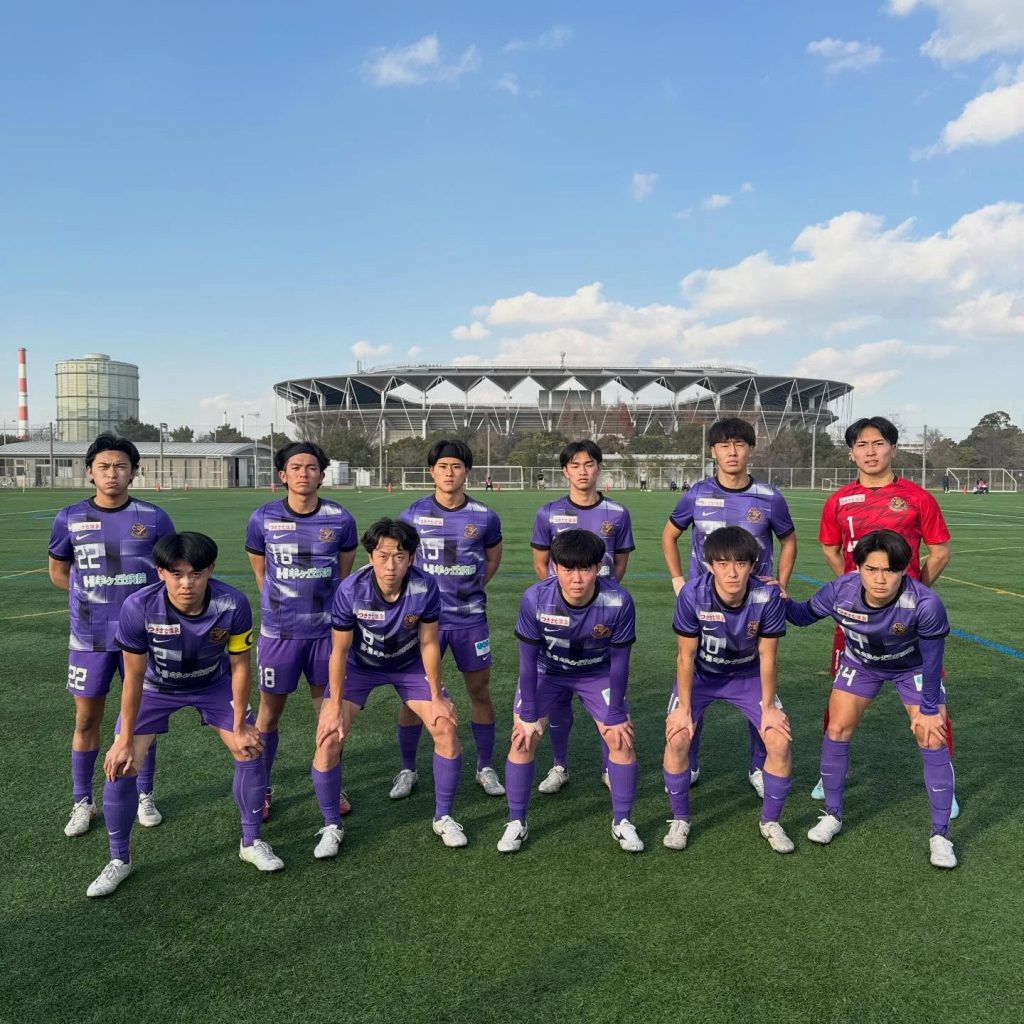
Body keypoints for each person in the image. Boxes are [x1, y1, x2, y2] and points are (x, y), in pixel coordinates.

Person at [85, 532, 283, 896]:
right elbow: (133, 676)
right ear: (161, 572)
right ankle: (119, 859)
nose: (186, 583)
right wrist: (124, 739)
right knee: (121, 765)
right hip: (155, 690)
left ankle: (251, 842)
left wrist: (240, 724)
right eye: (176, 574)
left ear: (211, 570)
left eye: (195, 573)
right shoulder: (138, 606)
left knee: (250, 749)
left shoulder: (232, 602)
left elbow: (240, 666)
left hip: (213, 686)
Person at [786, 530, 957, 868]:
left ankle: (940, 835)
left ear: (903, 570)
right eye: (871, 569)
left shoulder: (925, 604)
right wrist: (774, 596)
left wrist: (928, 710)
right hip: (861, 664)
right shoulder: (841, 591)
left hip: (912, 667)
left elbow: (933, 661)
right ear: (859, 568)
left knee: (931, 736)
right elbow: (802, 616)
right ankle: (832, 814)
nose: (880, 579)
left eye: (890, 570)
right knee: (837, 729)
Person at [815, 416, 956, 813]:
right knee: (839, 698)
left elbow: (940, 552)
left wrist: (915, 591)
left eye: (878, 443)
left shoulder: (917, 498)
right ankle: (829, 774)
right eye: (862, 445)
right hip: (855, 620)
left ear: (893, 448)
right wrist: (850, 590)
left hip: (908, 624)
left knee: (932, 700)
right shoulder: (838, 501)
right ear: (851, 453)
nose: (871, 451)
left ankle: (946, 781)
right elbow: (829, 548)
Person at [660, 417, 796, 798]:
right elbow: (669, 536)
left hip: (754, 607)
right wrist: (678, 581)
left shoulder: (769, 497)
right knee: (695, 672)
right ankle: (690, 761)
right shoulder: (696, 494)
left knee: (758, 676)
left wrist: (781, 582)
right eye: (724, 445)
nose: (732, 452)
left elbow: (788, 540)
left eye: (739, 444)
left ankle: (758, 765)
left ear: (750, 449)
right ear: (713, 451)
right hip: (704, 605)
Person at [312, 519, 466, 856]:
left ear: (412, 558)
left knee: (445, 727)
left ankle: (443, 817)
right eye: (382, 556)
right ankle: (331, 825)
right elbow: (339, 651)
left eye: (399, 556)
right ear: (370, 557)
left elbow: (429, 643)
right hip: (360, 667)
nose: (390, 565)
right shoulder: (351, 590)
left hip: (409, 665)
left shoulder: (425, 586)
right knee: (328, 738)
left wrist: (437, 696)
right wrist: (333, 704)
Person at [48, 433, 175, 839]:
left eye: (121, 466)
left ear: (134, 472)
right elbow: (59, 572)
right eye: (103, 466)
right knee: (87, 718)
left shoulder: (154, 518)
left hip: (143, 638)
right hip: (90, 639)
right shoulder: (69, 517)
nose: (112, 473)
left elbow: (170, 573)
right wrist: (92, 598)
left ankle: (144, 794)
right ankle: (82, 801)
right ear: (90, 472)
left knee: (141, 718)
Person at [497, 529, 642, 853]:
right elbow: (527, 660)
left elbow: (620, 662)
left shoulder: (619, 601)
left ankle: (622, 821)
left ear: (598, 567)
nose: (576, 578)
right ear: (554, 567)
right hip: (547, 671)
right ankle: (516, 821)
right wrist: (528, 712)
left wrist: (616, 712)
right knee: (523, 737)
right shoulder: (535, 598)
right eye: (568, 569)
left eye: (585, 569)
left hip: (596, 673)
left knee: (620, 737)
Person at [661, 526, 794, 855]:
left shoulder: (766, 597)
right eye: (722, 563)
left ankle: (771, 821)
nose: (732, 572)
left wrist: (769, 708)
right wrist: (683, 709)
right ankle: (680, 819)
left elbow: (768, 656)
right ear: (709, 565)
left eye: (740, 563)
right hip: (702, 675)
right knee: (678, 737)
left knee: (778, 740)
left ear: (753, 565)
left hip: (746, 676)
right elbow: (685, 656)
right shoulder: (692, 594)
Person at [246, 441, 358, 821]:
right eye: (296, 467)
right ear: (283, 475)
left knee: (329, 714)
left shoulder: (340, 519)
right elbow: (261, 574)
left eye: (311, 467)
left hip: (327, 636)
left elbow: (343, 574)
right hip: (279, 636)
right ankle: (261, 787)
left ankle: (330, 783)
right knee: (268, 714)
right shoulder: (262, 518)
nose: (304, 473)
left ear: (321, 475)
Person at [394, 439, 504, 799]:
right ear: (432, 471)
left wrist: (471, 586)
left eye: (456, 466)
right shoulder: (412, 514)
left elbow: (492, 559)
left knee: (479, 691)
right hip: (422, 622)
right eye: (442, 466)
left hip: (470, 620)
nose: (449, 473)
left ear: (467, 472)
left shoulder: (485, 516)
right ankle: (407, 769)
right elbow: (401, 559)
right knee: (415, 697)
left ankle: (485, 766)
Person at [530, 439, 635, 794]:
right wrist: (559, 598)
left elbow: (619, 562)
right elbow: (541, 563)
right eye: (574, 465)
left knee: (606, 691)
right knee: (559, 695)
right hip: (558, 615)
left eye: (589, 464)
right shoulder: (548, 513)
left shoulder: (617, 513)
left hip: (602, 617)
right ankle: (559, 766)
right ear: (565, 471)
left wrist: (601, 598)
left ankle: (609, 767)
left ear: (599, 468)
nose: (582, 471)